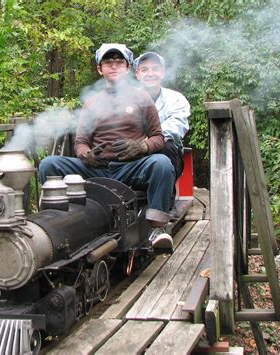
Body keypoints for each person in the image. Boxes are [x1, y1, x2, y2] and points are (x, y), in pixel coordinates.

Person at [39, 43, 175, 249]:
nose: (114, 66)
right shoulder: (91, 103)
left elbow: (158, 137)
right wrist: (86, 155)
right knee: (49, 164)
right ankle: (58, 222)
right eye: (108, 62)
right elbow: (81, 142)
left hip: (131, 168)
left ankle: (157, 229)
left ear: (128, 68)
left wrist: (142, 147)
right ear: (99, 68)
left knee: (162, 163)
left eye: (119, 62)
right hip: (97, 168)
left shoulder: (142, 98)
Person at [133, 52, 190, 180]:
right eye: (145, 69)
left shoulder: (176, 99)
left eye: (155, 69)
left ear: (163, 73)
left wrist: (148, 142)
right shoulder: (127, 98)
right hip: (133, 155)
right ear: (137, 74)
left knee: (165, 145)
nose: (150, 74)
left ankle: (166, 195)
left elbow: (177, 128)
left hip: (166, 153)